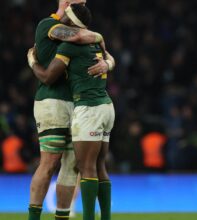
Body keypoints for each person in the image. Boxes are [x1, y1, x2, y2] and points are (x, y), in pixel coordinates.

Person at [28, 4, 115, 220]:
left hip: (78, 104)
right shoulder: (48, 25)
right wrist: (32, 62)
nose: (82, 4)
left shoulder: (86, 38)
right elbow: (74, 37)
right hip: (53, 101)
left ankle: (62, 217)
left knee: (72, 166)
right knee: (49, 162)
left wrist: (108, 64)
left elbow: (108, 56)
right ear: (65, 4)